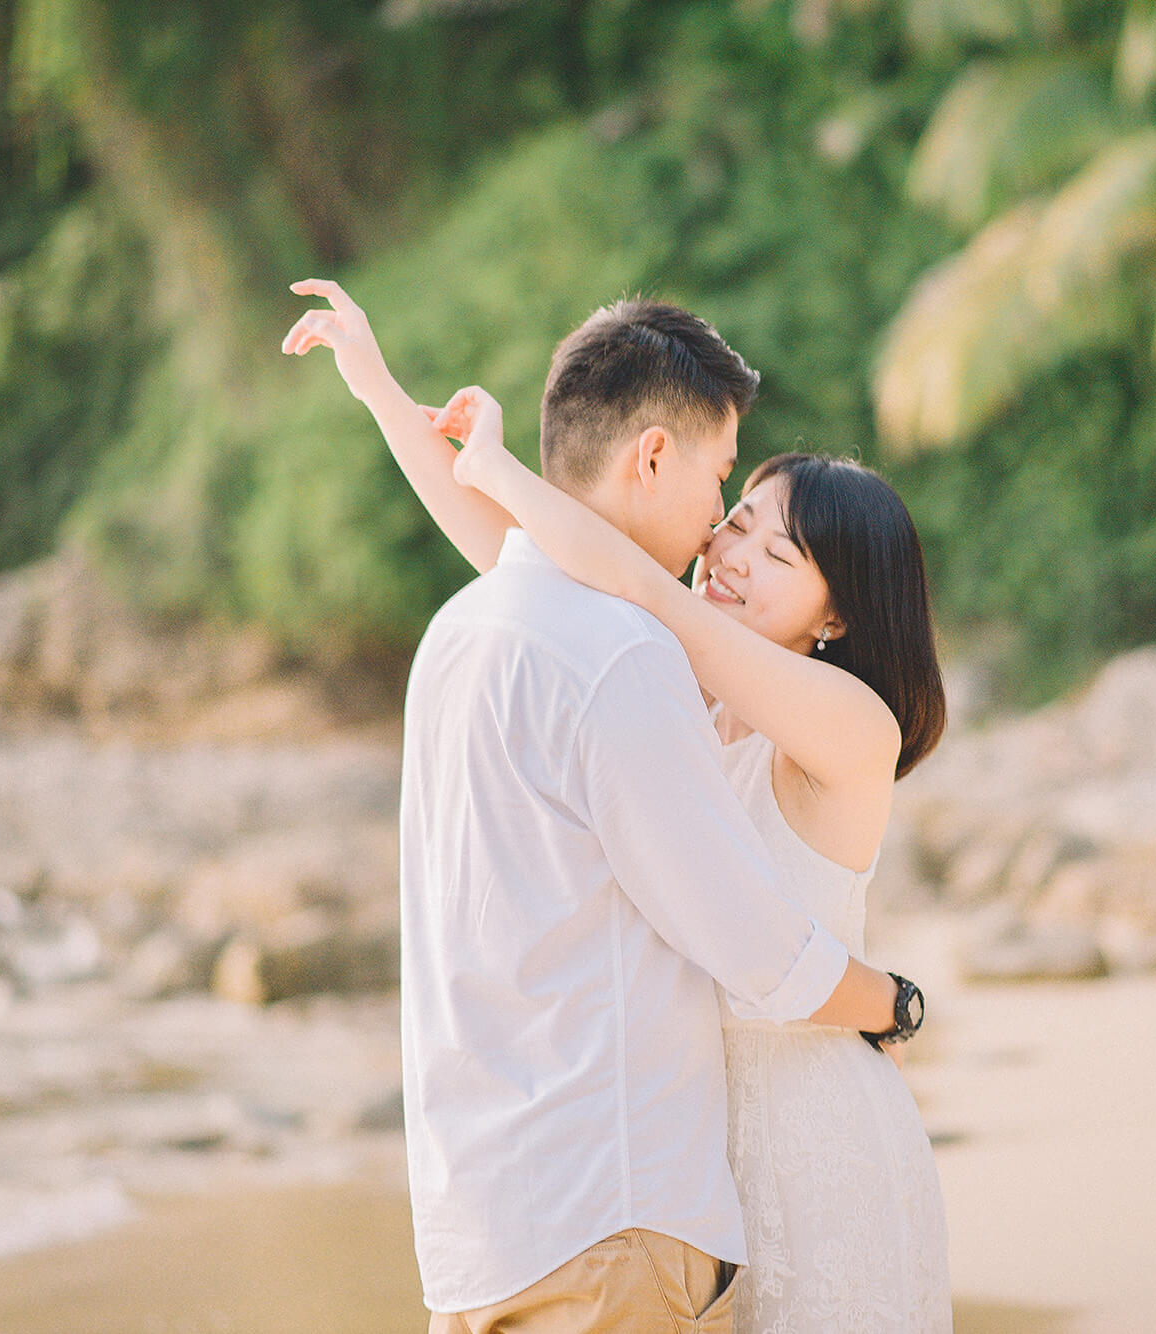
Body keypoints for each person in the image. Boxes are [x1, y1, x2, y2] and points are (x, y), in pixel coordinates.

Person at [284, 282, 927, 1333]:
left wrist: (491, 464)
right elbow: (538, 565)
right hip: (650, 1179)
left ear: (840, 607)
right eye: (731, 511)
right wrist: (385, 397)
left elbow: (594, 576)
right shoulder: (644, 662)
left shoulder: (820, 711)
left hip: (773, 1138)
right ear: (654, 459)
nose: (723, 548)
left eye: (774, 551)